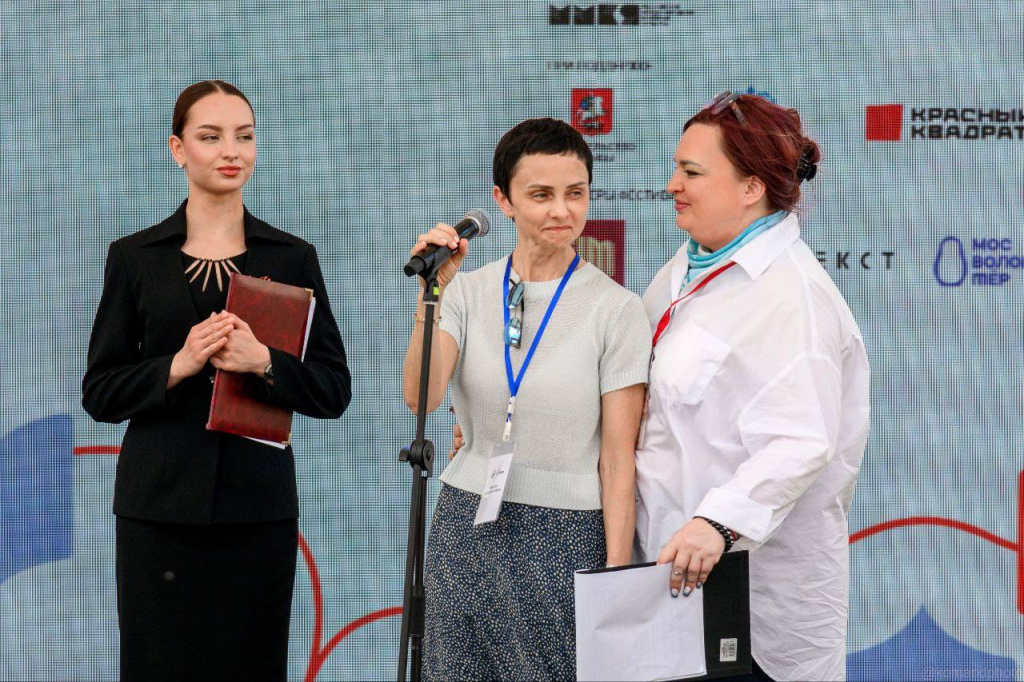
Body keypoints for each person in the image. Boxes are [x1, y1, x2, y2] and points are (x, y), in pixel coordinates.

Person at [82, 80, 351, 681]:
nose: (232, 151)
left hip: (258, 511)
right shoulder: (135, 257)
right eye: (211, 137)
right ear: (178, 149)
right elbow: (100, 392)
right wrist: (176, 365)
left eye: (244, 137)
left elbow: (333, 389)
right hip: (157, 510)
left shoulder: (291, 257)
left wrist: (265, 363)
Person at [403, 117, 650, 679]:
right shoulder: (464, 290)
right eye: (541, 195)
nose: (562, 211)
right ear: (503, 200)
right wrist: (431, 296)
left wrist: (616, 577)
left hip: (566, 535)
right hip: (466, 523)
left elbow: (618, 460)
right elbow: (421, 397)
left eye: (576, 193)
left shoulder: (616, 309)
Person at [636, 92, 870, 681]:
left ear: (751, 188)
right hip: (667, 586)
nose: (672, 185)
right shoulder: (687, 267)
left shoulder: (793, 297)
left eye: (691, 172)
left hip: (750, 613)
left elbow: (799, 441)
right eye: (676, 168)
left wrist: (716, 523)